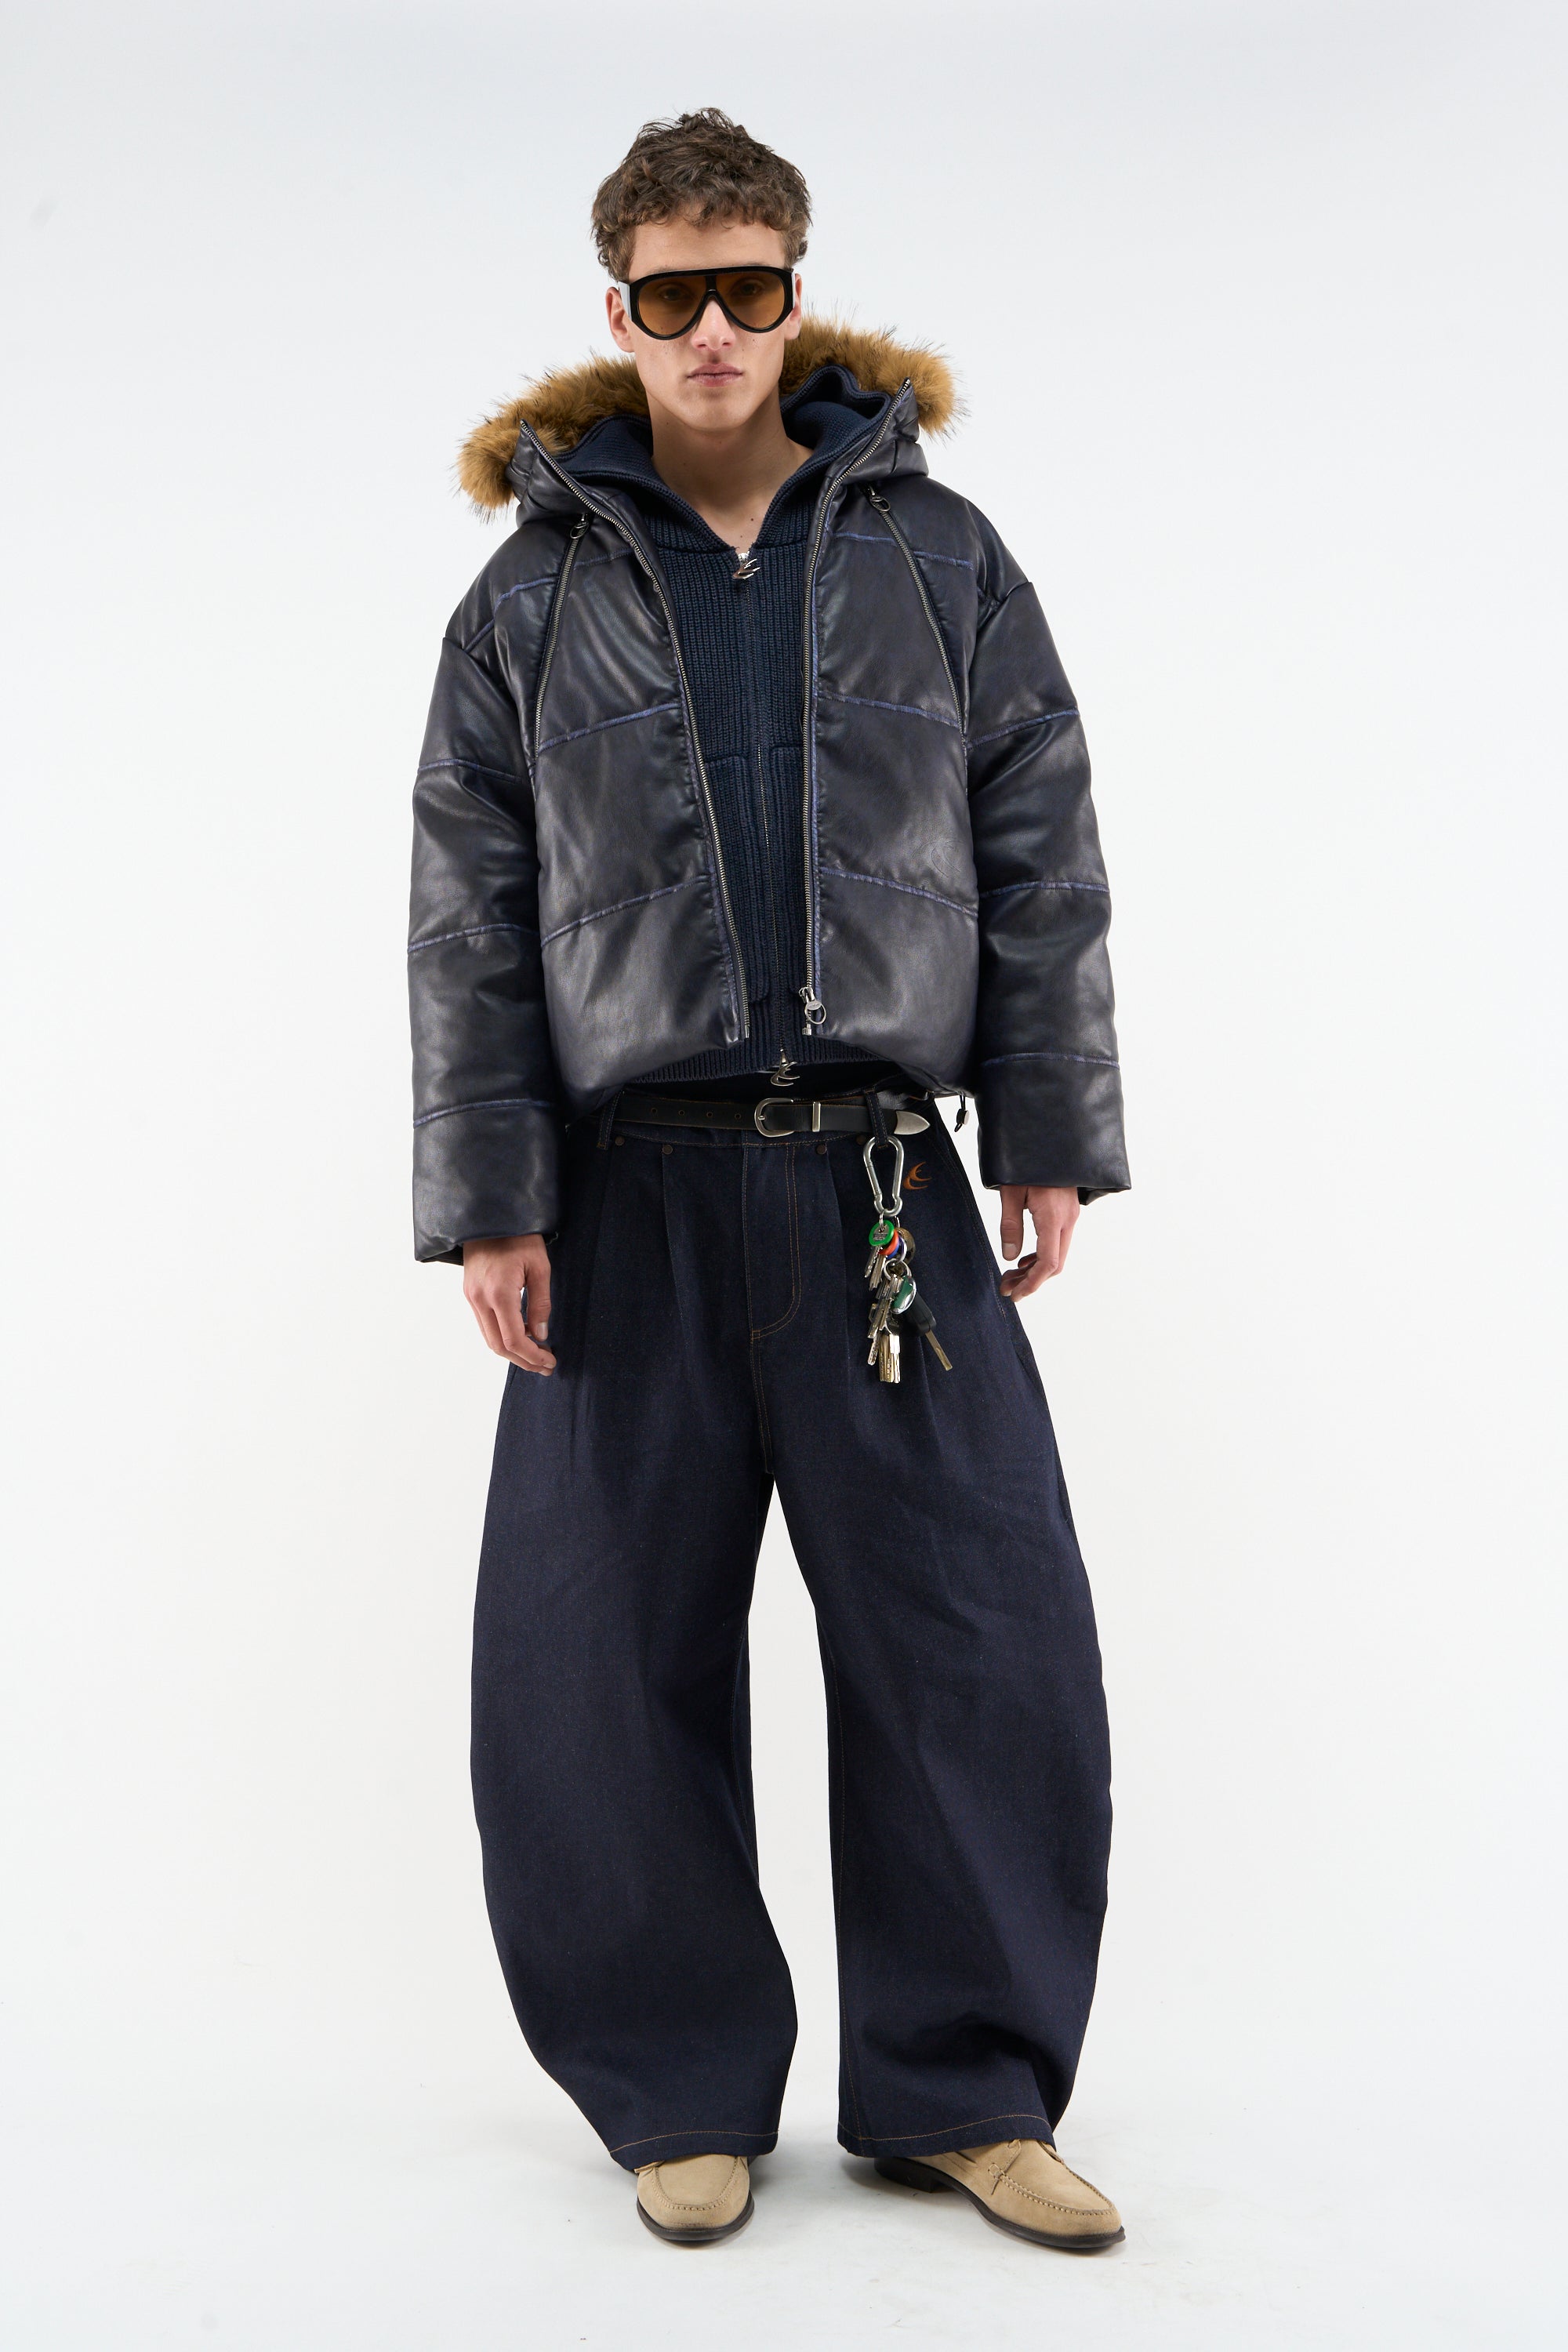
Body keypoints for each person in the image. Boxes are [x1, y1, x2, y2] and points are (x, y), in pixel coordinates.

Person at [408, 108, 1131, 2252]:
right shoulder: (529, 597)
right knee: (596, 1656)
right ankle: (673, 2088)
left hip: (883, 1191)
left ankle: (965, 2089)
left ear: (797, 294)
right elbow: (467, 918)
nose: (714, 329)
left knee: (978, 1634)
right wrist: (493, 1191)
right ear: (618, 308)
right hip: (625, 1198)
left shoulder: (941, 555)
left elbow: (1041, 847)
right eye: (674, 295)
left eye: (750, 287)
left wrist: (1051, 1127)